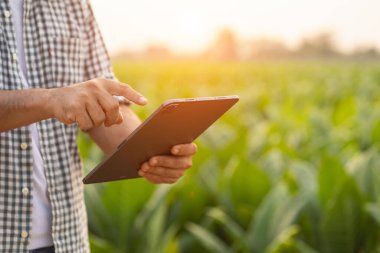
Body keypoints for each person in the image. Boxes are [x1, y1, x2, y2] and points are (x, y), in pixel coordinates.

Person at [0, 0, 197, 252]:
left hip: (66, 240)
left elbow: (106, 111)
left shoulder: (74, 4)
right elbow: (61, 99)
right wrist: (50, 100)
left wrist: (154, 151)